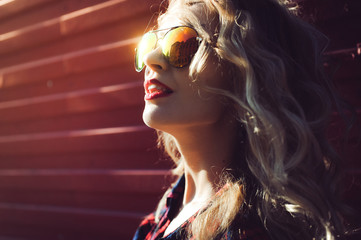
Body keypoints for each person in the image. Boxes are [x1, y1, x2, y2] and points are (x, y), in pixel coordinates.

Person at [132, 0, 349, 239]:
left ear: (245, 75)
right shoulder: (170, 206)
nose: (151, 59)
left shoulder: (245, 231)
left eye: (181, 43)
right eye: (150, 43)